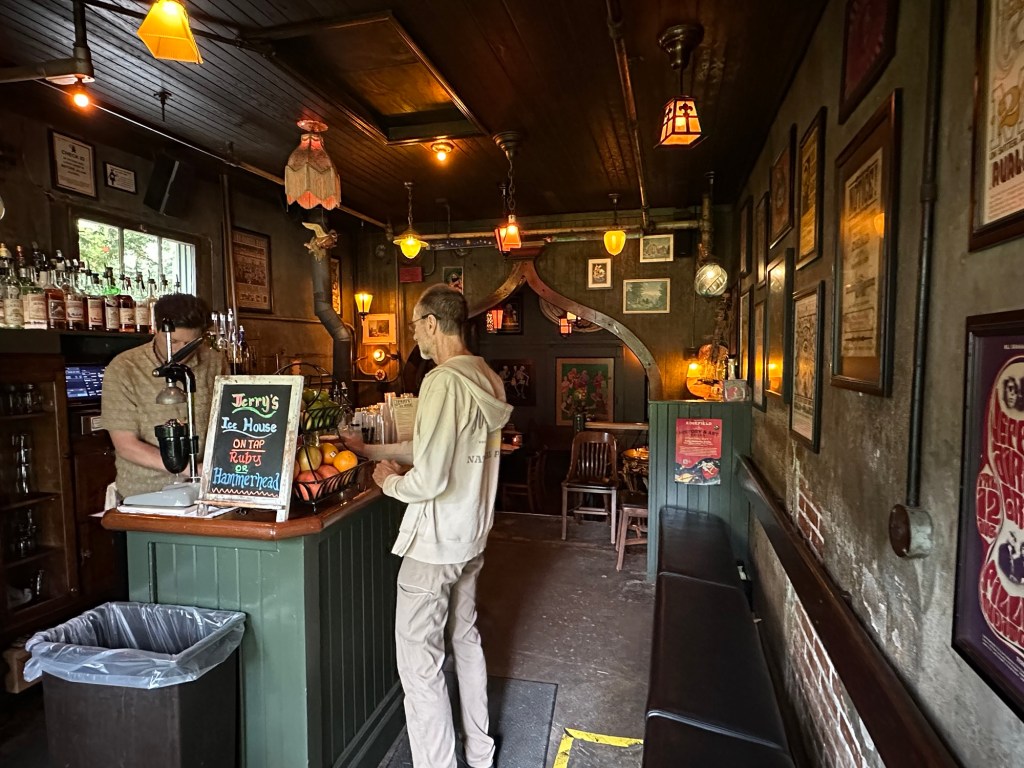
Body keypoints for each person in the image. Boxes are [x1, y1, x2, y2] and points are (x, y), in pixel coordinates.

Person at [343, 284, 512, 768]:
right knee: (466, 638)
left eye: (416, 324)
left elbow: (431, 476)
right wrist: (373, 452)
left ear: (433, 325)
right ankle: (480, 753)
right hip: (472, 535)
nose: (414, 334)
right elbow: (438, 449)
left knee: (420, 668)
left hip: (434, 543)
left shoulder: (441, 380)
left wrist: (390, 485)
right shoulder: (486, 378)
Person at [101, 293, 225, 502]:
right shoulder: (124, 367)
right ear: (156, 328)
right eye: (173, 341)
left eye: (189, 344)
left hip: (206, 490)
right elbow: (126, 445)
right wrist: (190, 469)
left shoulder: (214, 361)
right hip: (145, 493)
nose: (179, 351)